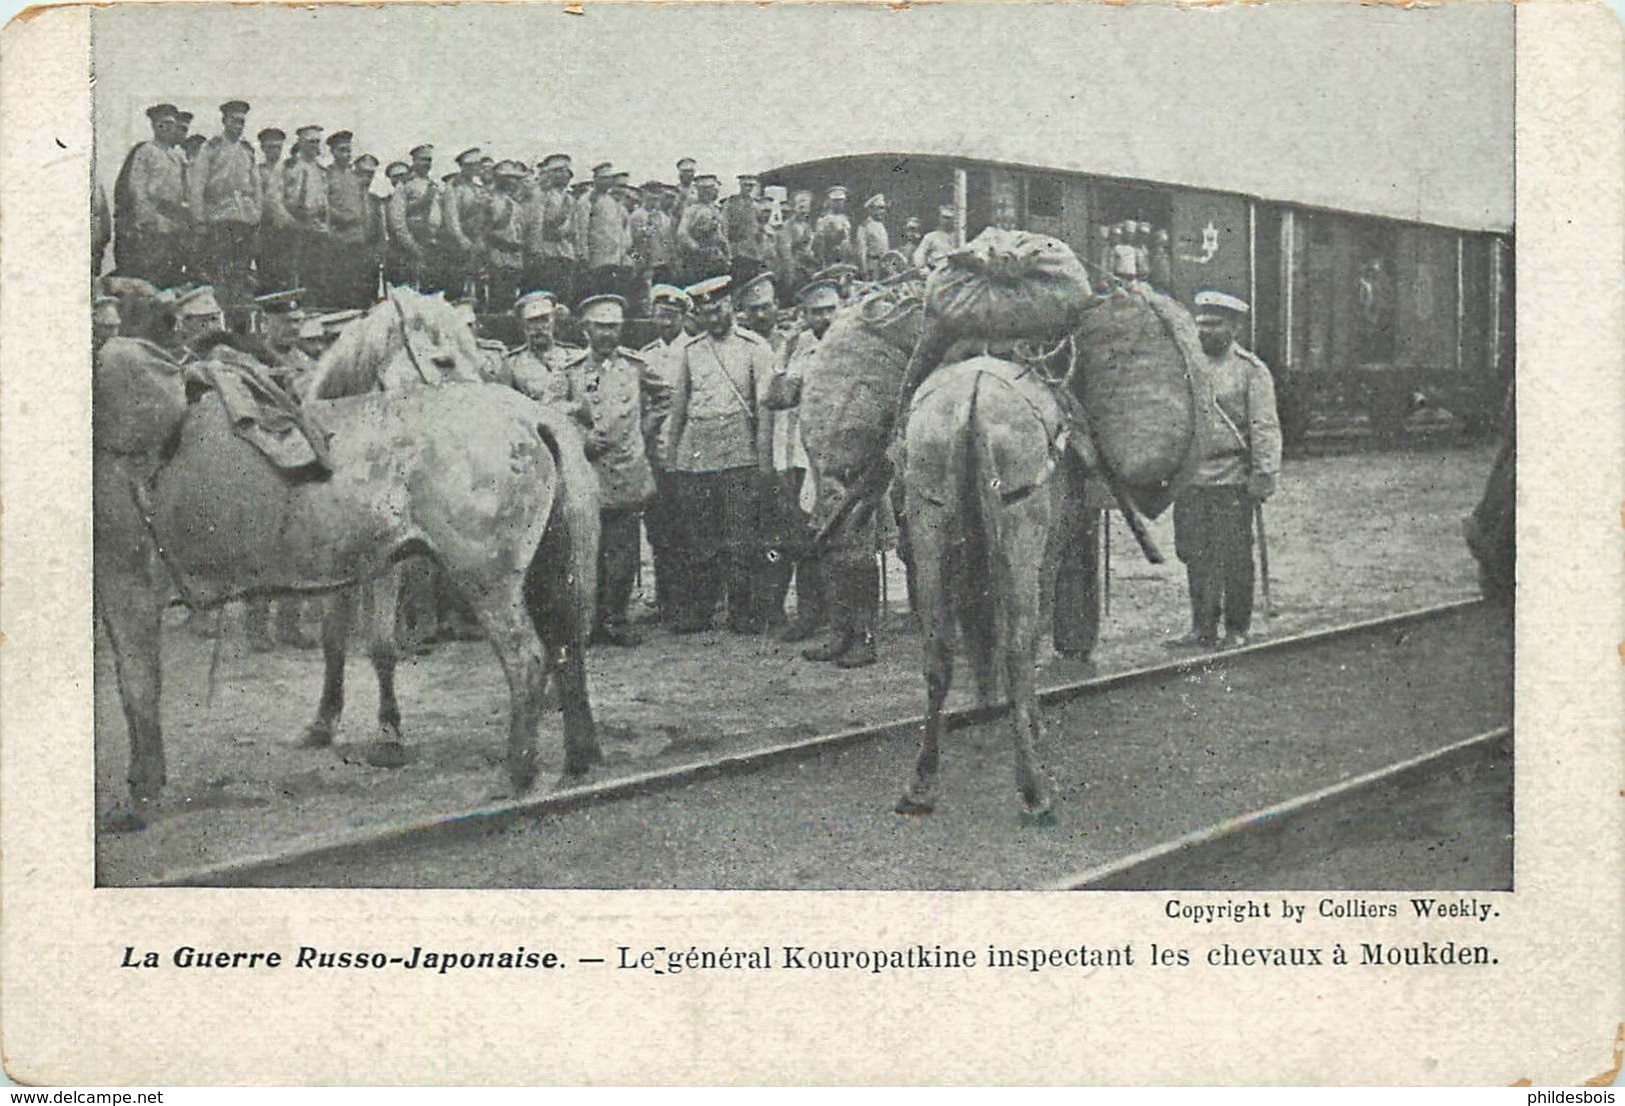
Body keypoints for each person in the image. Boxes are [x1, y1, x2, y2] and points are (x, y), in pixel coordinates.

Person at [1169, 291, 1282, 649]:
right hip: (1190, 477)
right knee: (1193, 552)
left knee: (1233, 555)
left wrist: (1264, 474)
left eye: (1214, 324)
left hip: (1232, 478)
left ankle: (1237, 628)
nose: (1205, 331)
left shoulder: (1251, 370)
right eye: (1200, 324)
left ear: (1234, 327)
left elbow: (1264, 426)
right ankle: (1202, 626)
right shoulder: (1185, 365)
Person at [661, 275, 774, 633]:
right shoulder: (691, 351)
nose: (713, 318)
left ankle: (744, 611)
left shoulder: (755, 347)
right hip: (698, 455)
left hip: (740, 452)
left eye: (718, 309)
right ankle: (701, 610)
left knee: (741, 538)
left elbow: (765, 408)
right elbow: (678, 408)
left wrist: (764, 459)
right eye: (706, 312)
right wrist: (673, 456)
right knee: (701, 538)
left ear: (732, 308)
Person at [567, 294, 671, 646]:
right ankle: (590, 622)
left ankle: (616, 619)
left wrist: (645, 429)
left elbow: (667, 397)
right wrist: (580, 440)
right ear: (586, 329)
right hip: (586, 474)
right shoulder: (571, 370)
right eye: (601, 327)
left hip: (626, 471)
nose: (608, 335)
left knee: (624, 555)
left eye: (614, 327)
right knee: (587, 553)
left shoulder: (634, 366)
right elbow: (550, 409)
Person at [761, 276, 840, 643]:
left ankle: (843, 619)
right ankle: (811, 614)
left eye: (830, 310)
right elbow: (778, 397)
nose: (824, 318)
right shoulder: (801, 348)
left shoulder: (854, 345)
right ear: (804, 315)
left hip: (842, 454)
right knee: (802, 535)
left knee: (842, 539)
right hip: (799, 454)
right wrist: (785, 351)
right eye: (815, 312)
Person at [638, 284, 692, 624]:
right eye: (660, 316)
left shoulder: (694, 350)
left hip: (689, 453)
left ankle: (694, 599)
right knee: (661, 530)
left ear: (684, 318)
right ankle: (666, 598)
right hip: (657, 455)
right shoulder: (645, 357)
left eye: (672, 317)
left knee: (691, 530)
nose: (666, 323)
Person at [185, 100, 262, 314]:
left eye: (242, 122)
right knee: (219, 267)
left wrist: (256, 216)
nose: (238, 126)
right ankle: (221, 309)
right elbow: (197, 185)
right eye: (234, 121)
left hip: (244, 217)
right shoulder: (212, 147)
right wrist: (199, 219)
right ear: (224, 121)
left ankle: (238, 309)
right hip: (219, 216)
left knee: (241, 268)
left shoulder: (247, 150)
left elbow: (256, 188)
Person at [114, 103, 189, 288]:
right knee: (151, 269)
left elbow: (184, 189)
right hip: (154, 219)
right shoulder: (146, 151)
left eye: (171, 123)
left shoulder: (177, 155)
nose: (167, 127)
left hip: (174, 219)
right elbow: (137, 187)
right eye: (162, 123)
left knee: (172, 270)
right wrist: (146, 219)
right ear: (154, 126)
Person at [505, 291, 589, 425]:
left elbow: (585, 403)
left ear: (554, 321)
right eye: (532, 321)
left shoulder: (574, 357)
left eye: (544, 319)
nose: (538, 327)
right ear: (523, 325)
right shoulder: (512, 363)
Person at [522, 154, 578, 304]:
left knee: (564, 295)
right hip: (547, 251)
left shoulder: (569, 199)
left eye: (566, 172)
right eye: (559, 171)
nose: (564, 175)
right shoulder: (541, 195)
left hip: (565, 251)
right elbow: (536, 223)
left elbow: (574, 227)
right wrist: (535, 249)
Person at [284, 125, 329, 297]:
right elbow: (290, 200)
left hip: (319, 227)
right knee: (299, 275)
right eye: (310, 142)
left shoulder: (319, 169)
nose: (314, 146)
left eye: (317, 142)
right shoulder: (294, 167)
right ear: (300, 143)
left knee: (318, 275)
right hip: (300, 227)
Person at [442, 147, 489, 302]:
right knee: (458, 287)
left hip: (478, 242)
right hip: (459, 244)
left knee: (479, 286)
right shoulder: (453, 186)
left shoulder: (478, 188)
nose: (475, 169)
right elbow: (452, 218)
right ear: (463, 167)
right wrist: (462, 240)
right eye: (470, 166)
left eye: (476, 165)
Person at [580, 162, 629, 302]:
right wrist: (583, 255)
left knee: (611, 294)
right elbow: (582, 229)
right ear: (595, 179)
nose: (607, 182)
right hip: (596, 258)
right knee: (596, 294)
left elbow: (619, 233)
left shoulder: (612, 202)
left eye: (609, 179)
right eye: (603, 178)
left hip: (614, 259)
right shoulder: (588, 200)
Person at [254, 127, 295, 292]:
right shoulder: (258, 171)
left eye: (278, 147)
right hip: (265, 229)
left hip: (288, 230)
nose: (274, 151)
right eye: (270, 147)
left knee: (288, 272)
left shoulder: (289, 171)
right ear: (263, 148)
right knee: (266, 272)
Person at [484, 160, 528, 312]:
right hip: (495, 256)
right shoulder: (488, 201)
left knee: (509, 298)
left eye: (515, 178)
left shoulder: (516, 205)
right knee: (495, 298)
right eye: (507, 177)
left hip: (514, 258)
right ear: (497, 178)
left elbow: (521, 231)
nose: (512, 181)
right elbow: (483, 231)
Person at [676, 173, 728, 288]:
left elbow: (721, 235)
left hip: (715, 258)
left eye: (711, 189)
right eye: (704, 189)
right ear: (698, 190)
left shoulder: (716, 210)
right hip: (697, 260)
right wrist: (697, 248)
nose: (708, 192)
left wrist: (726, 253)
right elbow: (682, 234)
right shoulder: (691, 210)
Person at [774, 189, 817, 303]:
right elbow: (785, 253)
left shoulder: (807, 225)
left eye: (807, 208)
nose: (804, 211)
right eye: (801, 207)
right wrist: (790, 275)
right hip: (794, 272)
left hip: (807, 269)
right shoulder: (787, 226)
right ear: (794, 208)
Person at [813, 185, 853, 269]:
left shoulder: (844, 218)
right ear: (830, 202)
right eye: (836, 201)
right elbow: (819, 243)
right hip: (831, 259)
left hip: (845, 258)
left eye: (841, 201)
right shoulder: (824, 220)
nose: (839, 203)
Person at [854, 193, 890, 279]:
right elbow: (861, 250)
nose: (883, 211)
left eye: (884, 208)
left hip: (884, 266)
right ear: (871, 210)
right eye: (880, 208)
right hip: (872, 267)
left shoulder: (881, 225)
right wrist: (864, 270)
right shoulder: (864, 226)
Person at [912, 204, 957, 271]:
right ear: (940, 218)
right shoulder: (931, 236)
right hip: (937, 271)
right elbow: (919, 254)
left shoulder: (961, 236)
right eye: (944, 217)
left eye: (950, 218)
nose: (946, 221)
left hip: (957, 271)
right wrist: (922, 268)